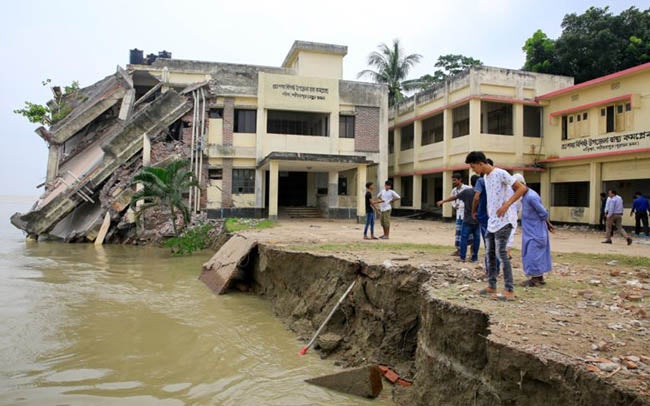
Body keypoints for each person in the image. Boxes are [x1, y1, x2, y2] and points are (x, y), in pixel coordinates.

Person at [465, 151, 527, 301]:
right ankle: (492, 285)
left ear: (480, 163)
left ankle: (509, 289)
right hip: (492, 221)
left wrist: (507, 204)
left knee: (501, 254)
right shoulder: (485, 177)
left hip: (504, 221)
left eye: (473, 167)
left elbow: (521, 188)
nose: (473, 170)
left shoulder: (501, 173)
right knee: (490, 254)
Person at [513, 174, 554, 287]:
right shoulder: (525, 197)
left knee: (533, 255)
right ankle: (539, 277)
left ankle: (535, 279)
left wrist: (547, 223)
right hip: (532, 231)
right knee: (536, 254)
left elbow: (543, 212)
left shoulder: (531, 197)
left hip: (536, 232)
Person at [438, 175, 480, 262]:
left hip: (467, 218)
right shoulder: (482, 193)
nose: (453, 182)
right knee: (476, 238)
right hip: (477, 219)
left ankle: (462, 257)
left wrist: (443, 201)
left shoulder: (467, 191)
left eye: (455, 180)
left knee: (463, 238)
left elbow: (455, 197)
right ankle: (474, 257)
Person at [449, 172, 470, 256]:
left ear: (460, 180)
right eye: (452, 180)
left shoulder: (467, 188)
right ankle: (458, 250)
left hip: (467, 214)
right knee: (458, 233)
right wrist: (454, 206)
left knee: (468, 233)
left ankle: (470, 251)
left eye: (455, 180)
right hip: (459, 215)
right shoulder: (454, 190)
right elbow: (451, 200)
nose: (453, 182)